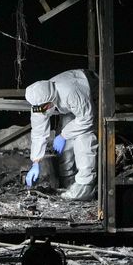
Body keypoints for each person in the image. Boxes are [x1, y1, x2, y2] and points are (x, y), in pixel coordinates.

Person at [24, 69, 98, 201]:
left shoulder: (71, 93)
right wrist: (35, 161)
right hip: (70, 105)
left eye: (45, 107)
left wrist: (63, 135)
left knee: (83, 137)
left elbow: (87, 119)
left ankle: (85, 186)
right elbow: (38, 132)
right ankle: (68, 181)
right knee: (65, 141)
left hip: (91, 91)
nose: (42, 111)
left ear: (51, 99)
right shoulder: (39, 100)